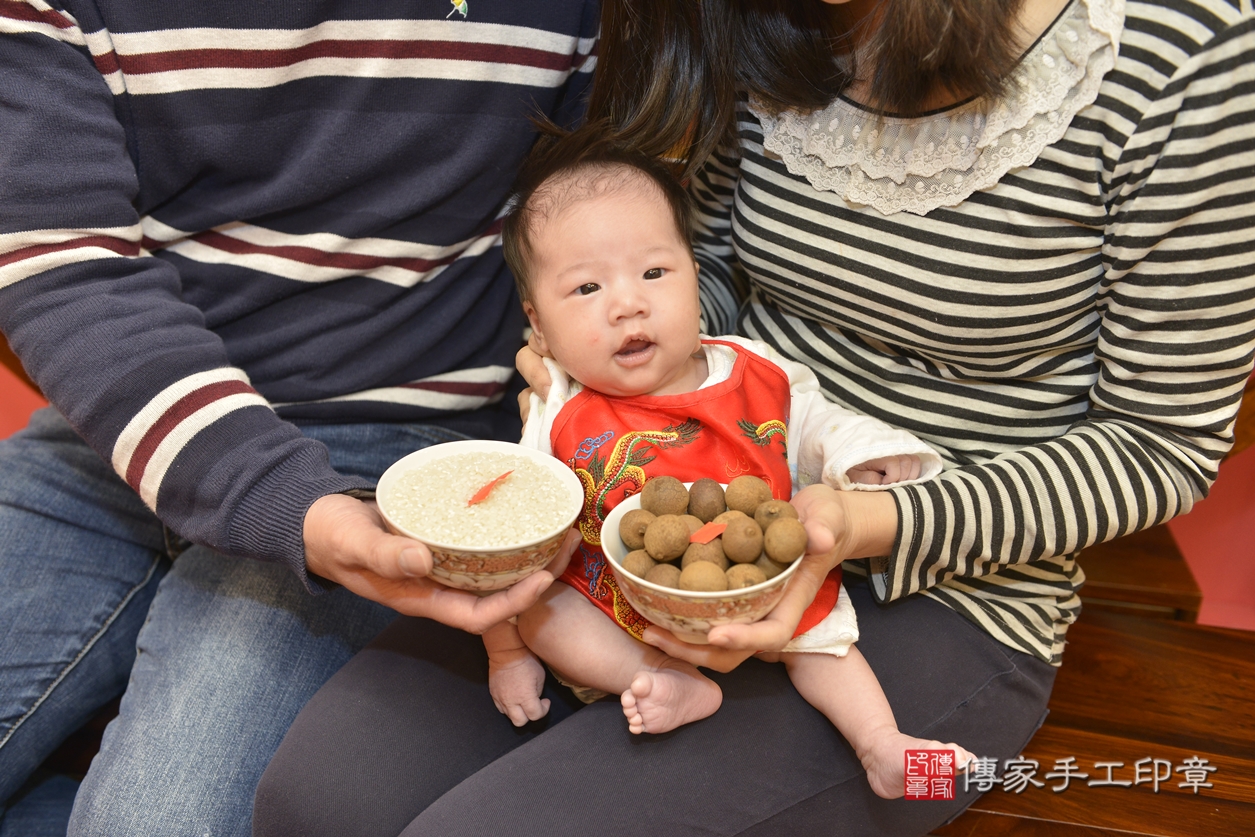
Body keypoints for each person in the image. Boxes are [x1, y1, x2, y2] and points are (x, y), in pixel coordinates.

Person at [253, 0, 1255, 835]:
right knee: (318, 803)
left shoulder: (1184, 52)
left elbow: (1159, 444)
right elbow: (714, 276)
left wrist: (856, 521)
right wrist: (618, 366)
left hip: (950, 581)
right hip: (653, 517)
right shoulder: (772, 22)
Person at [0, 1, 597, 834]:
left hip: (402, 430)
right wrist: (277, 495)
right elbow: (65, 265)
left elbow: (601, 201)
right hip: (116, 418)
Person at [478, 129, 973, 798]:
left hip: (761, 580)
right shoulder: (557, 405)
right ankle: (663, 677)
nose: (628, 302)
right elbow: (514, 538)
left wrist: (866, 460)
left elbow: (818, 424)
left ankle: (883, 745)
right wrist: (506, 650)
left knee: (823, 638)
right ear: (538, 324)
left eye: (655, 272)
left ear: (692, 269)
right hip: (622, 596)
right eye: (588, 287)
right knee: (546, 611)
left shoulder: (753, 369)